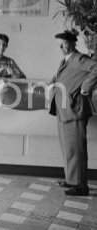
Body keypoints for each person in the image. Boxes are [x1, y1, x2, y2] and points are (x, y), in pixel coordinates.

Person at [50, 30, 97, 196]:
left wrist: (86, 87)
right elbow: (60, 79)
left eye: (64, 43)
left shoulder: (79, 59)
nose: (61, 47)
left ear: (72, 43)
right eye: (59, 44)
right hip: (65, 109)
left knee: (76, 148)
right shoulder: (66, 60)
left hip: (74, 109)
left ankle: (80, 185)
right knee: (68, 148)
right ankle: (72, 179)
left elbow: (96, 68)